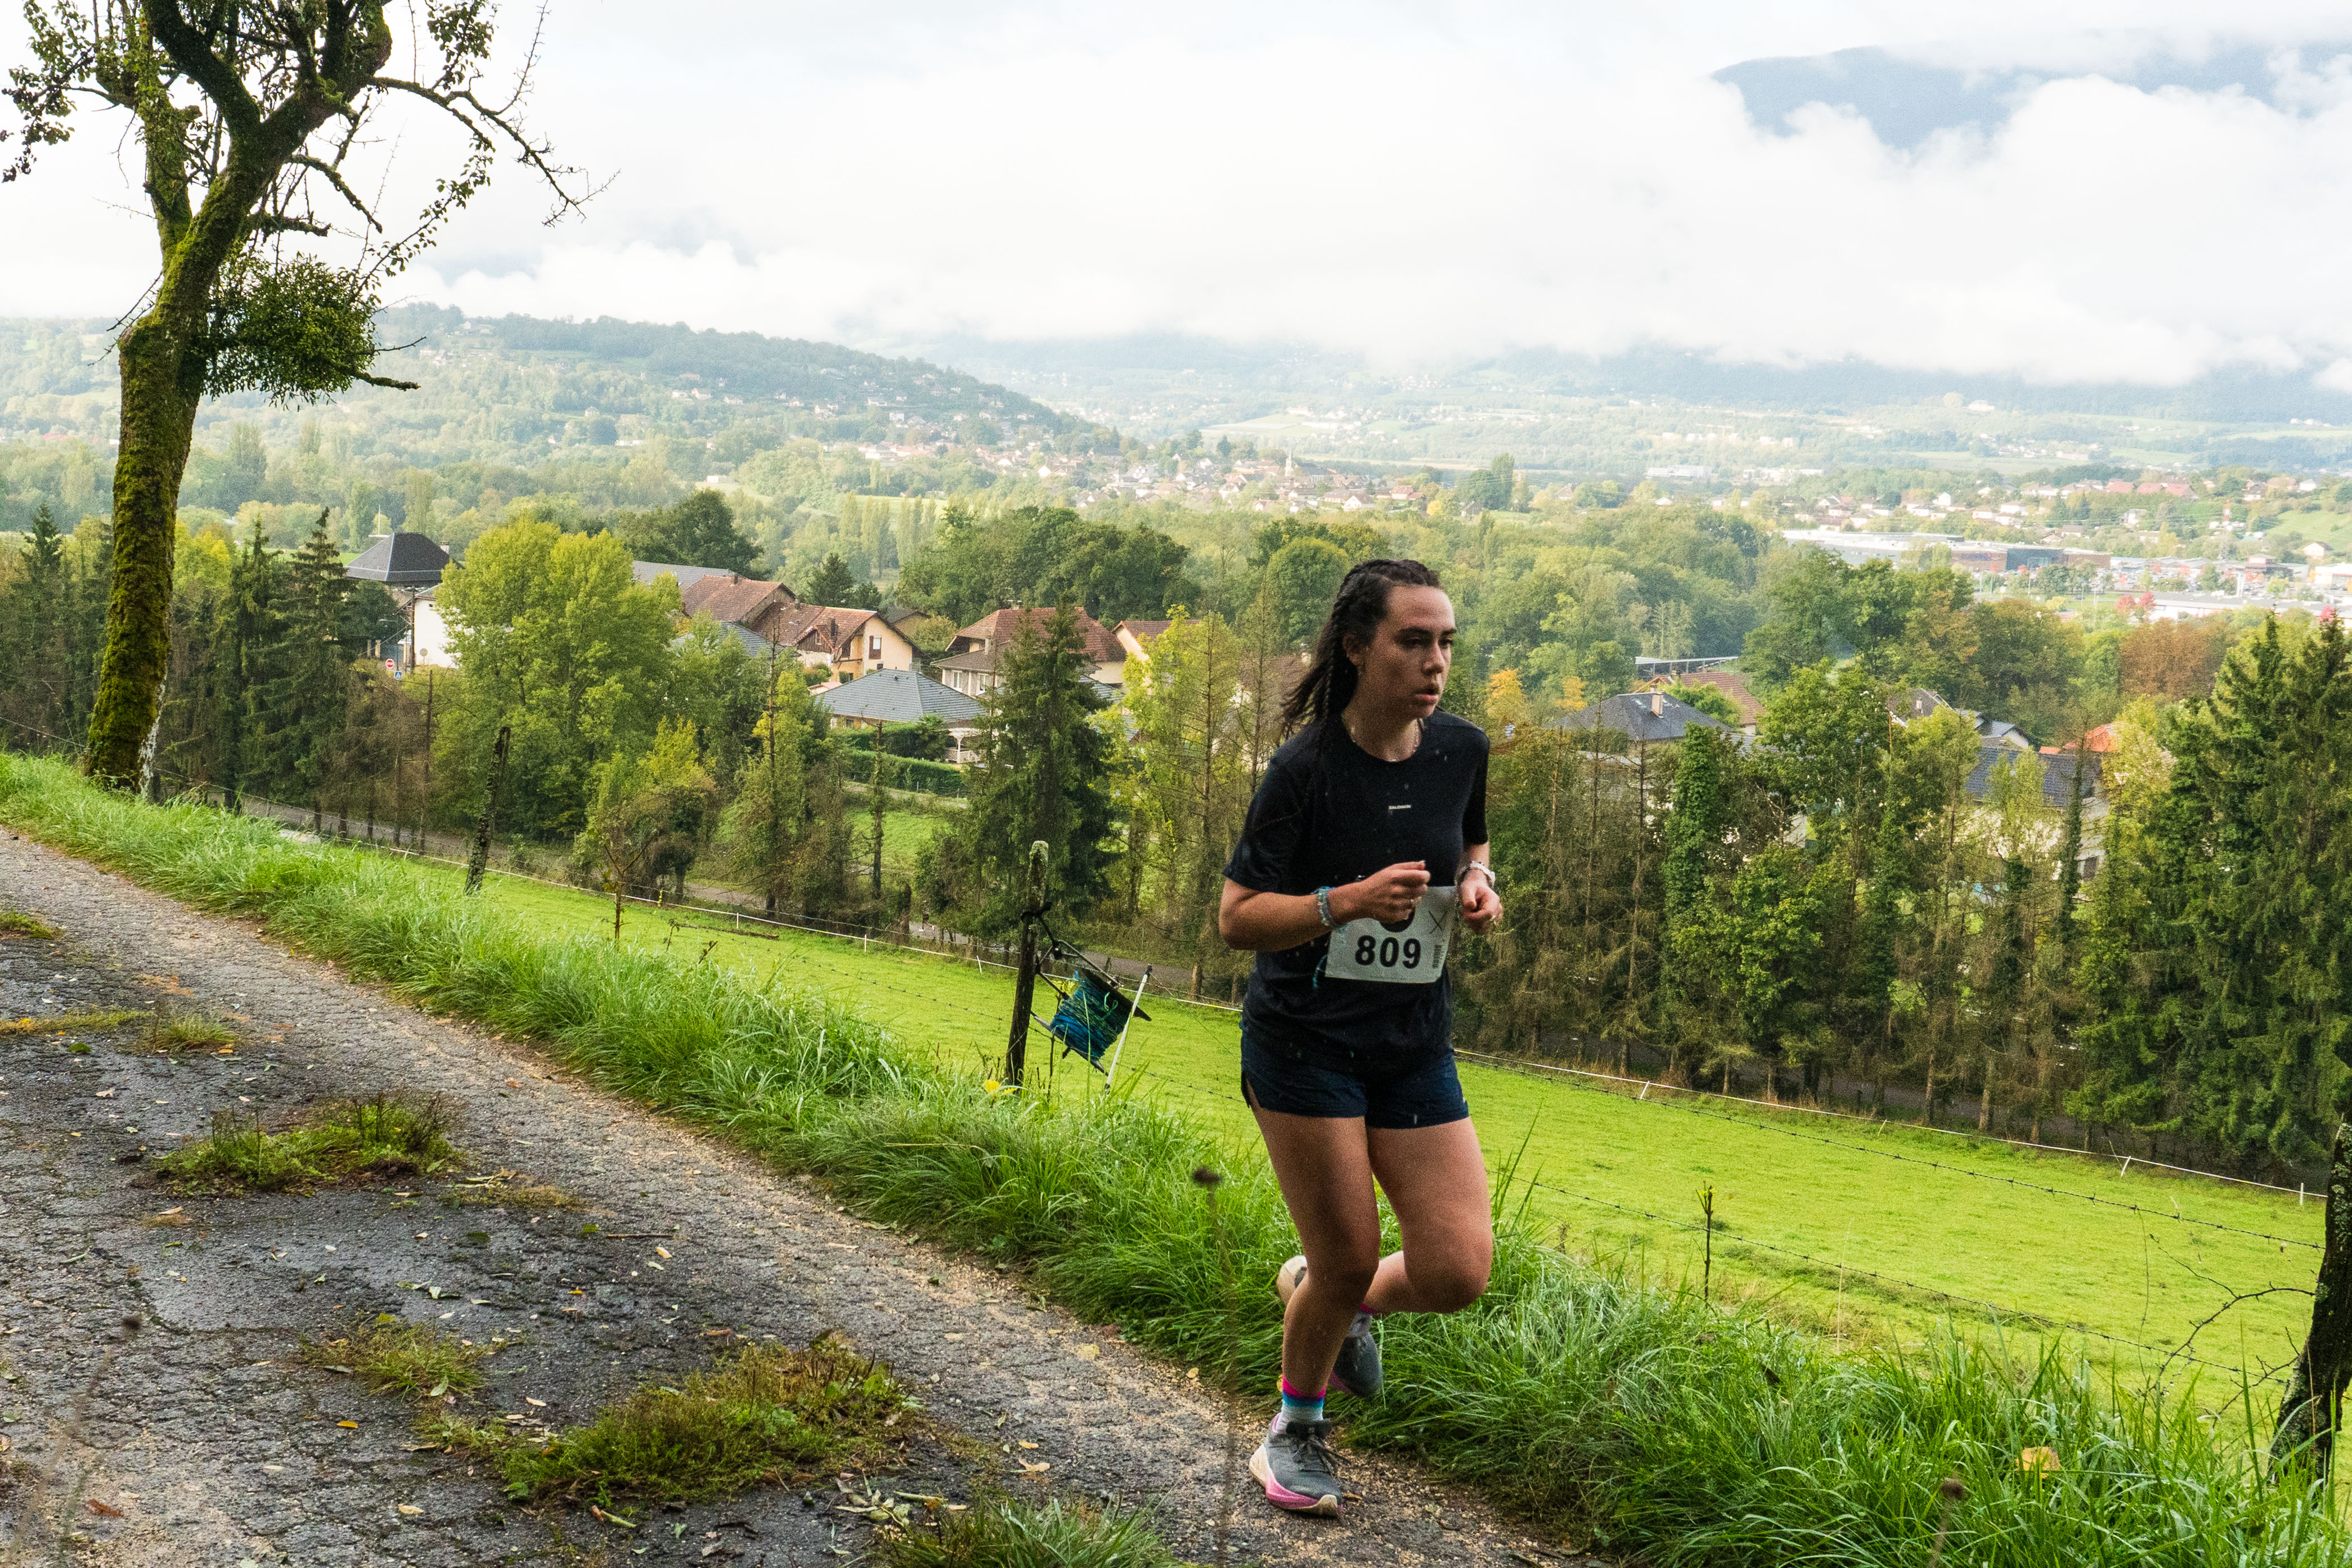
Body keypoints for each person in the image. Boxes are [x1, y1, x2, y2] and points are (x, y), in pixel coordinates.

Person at [1217, 558, 1501, 1518]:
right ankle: (1293, 1431)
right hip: (1304, 1041)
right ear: (1356, 648)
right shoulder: (1304, 772)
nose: (1435, 662)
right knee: (1349, 1255)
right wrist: (1342, 903)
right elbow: (1237, 918)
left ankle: (1321, 1293)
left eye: (1445, 643)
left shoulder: (1462, 749)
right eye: (1413, 641)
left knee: (1456, 1269)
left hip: (1411, 1041)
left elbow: (1471, 841)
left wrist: (1478, 884)